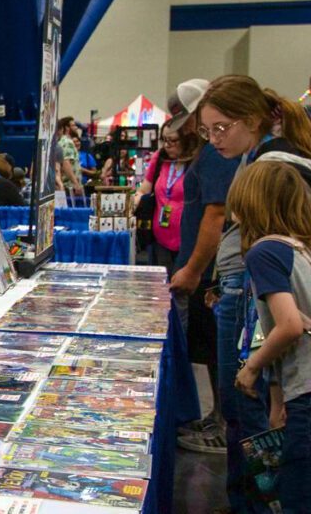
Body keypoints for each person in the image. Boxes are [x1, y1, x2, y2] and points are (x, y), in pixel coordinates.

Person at [191, 74, 311, 504]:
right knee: (246, 409)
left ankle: (255, 500)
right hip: (242, 291)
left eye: (221, 128)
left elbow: (287, 322)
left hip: (253, 298)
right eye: (207, 131)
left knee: (246, 406)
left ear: (252, 119)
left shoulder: (273, 166)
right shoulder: (258, 157)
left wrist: (255, 361)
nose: (214, 139)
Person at [227, 160, 311, 513]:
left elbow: (289, 326)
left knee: (296, 498)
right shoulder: (297, 249)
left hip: (306, 391)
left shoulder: (263, 252)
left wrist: (251, 368)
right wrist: (277, 402)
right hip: (298, 391)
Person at [168, 78, 239, 455]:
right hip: (206, 268)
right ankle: (216, 417)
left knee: (215, 349)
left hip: (210, 272)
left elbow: (215, 214)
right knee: (210, 351)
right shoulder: (211, 152)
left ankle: (223, 424)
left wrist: (195, 270)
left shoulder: (215, 153)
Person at [132, 122, 200, 275]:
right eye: (164, 140)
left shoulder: (197, 163)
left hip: (188, 240)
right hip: (160, 238)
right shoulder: (160, 159)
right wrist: (136, 200)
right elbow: (144, 189)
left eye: (173, 141)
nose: (167, 145)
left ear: (186, 140)